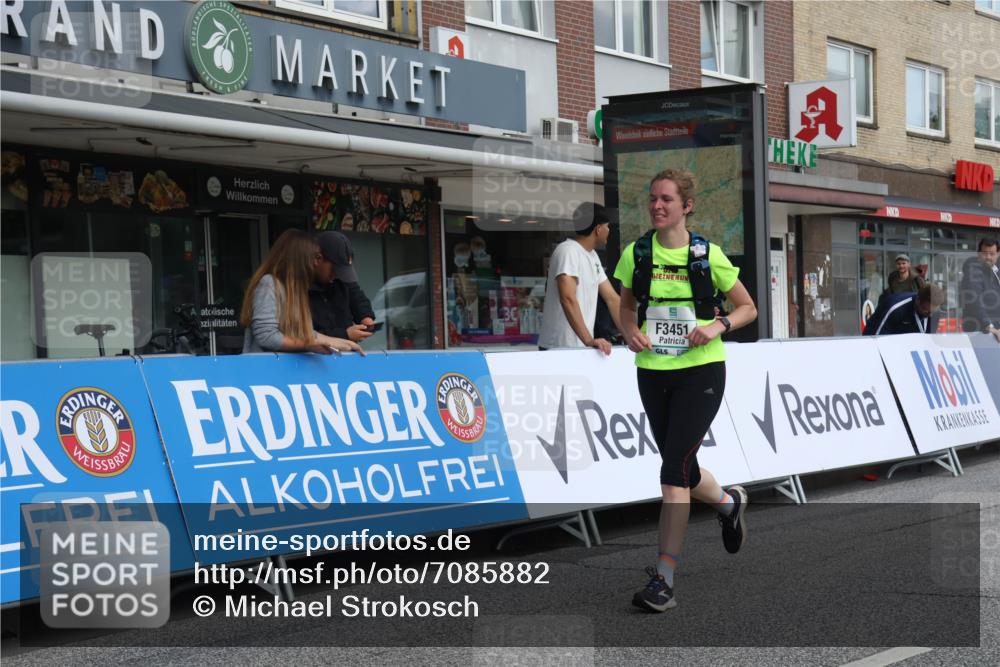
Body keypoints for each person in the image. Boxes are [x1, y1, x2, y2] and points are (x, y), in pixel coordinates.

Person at [614, 168, 757, 612]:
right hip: (653, 372)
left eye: (667, 200)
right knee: (683, 467)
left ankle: (664, 580)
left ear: (686, 206)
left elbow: (747, 307)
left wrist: (717, 326)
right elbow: (625, 307)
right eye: (653, 199)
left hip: (701, 373)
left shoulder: (707, 255)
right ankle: (729, 504)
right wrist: (630, 332)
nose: (657, 206)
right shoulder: (636, 254)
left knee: (672, 473)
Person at [240, 229, 362, 355]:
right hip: (266, 371)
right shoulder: (269, 283)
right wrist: (309, 345)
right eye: (314, 258)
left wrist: (341, 342)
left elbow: (305, 334)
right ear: (299, 259)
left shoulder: (297, 290)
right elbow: (266, 336)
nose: (316, 263)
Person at [538, 202, 623, 354]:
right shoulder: (568, 251)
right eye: (607, 226)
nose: (609, 231)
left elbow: (612, 299)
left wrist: (632, 336)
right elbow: (568, 298)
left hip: (580, 347)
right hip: (559, 347)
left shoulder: (592, 256)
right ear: (598, 229)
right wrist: (589, 340)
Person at [311, 231, 377, 344]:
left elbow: (357, 296)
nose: (337, 275)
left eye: (343, 272)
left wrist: (365, 317)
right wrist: (345, 334)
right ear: (318, 259)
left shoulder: (342, 280)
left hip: (347, 355)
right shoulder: (298, 289)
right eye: (334, 270)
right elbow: (305, 335)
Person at [862, 284, 945, 336]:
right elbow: (875, 339)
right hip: (881, 338)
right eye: (926, 310)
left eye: (932, 311)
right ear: (918, 300)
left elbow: (928, 341)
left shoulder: (934, 313)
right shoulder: (894, 307)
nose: (930, 315)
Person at [959, 238, 1000, 333]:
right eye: (985, 253)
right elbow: (974, 299)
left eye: (992, 254)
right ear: (979, 254)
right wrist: (989, 326)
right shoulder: (973, 269)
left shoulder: (995, 270)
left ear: (998, 254)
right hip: (981, 330)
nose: (988, 257)